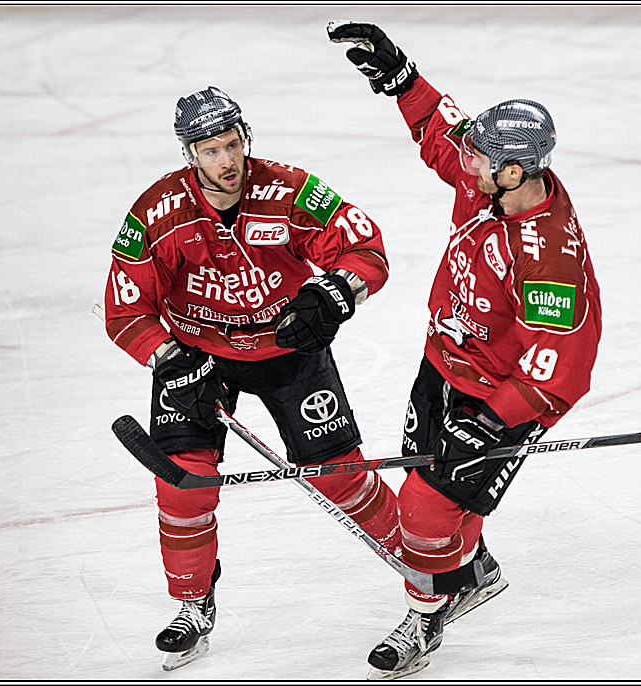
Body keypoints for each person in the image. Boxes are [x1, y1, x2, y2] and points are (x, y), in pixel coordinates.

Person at [327, 21, 603, 679]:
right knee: (426, 483)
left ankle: (427, 618)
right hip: (445, 361)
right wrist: (400, 78)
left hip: (502, 394)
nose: (463, 162)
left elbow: (559, 366)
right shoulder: (488, 178)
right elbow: (442, 131)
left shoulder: (550, 256)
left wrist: (490, 423)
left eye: (478, 159)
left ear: (514, 171)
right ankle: (470, 566)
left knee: (421, 514)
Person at [102, 85, 401, 671]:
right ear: (189, 154)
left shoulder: (289, 190)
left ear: (246, 140)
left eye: (233, 144)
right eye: (210, 150)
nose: (226, 160)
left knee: (341, 477)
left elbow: (368, 249)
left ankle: (433, 565)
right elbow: (124, 309)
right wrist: (164, 354)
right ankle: (192, 601)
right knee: (183, 484)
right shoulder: (155, 212)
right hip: (195, 359)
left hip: (288, 349)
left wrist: (334, 291)